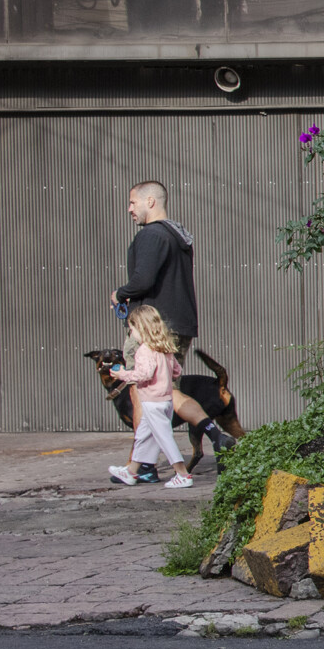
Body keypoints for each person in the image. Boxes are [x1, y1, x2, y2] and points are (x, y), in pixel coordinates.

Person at [111, 179, 234, 458]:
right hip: (179, 324)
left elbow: (142, 280)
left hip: (153, 326)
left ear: (150, 202)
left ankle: (142, 464)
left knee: (143, 391)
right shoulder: (179, 237)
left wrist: (119, 294)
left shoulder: (151, 235)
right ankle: (214, 435)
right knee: (167, 392)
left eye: (133, 202)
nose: (129, 209)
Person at [107, 304, 193, 488]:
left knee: (164, 438)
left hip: (152, 401)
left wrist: (123, 374)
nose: (132, 335)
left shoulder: (144, 351)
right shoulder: (165, 349)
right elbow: (177, 372)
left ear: (141, 328)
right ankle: (131, 471)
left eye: (132, 330)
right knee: (144, 436)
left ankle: (182, 474)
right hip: (165, 401)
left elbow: (143, 374)